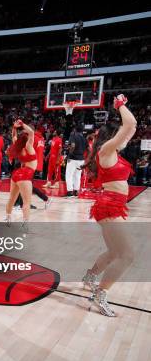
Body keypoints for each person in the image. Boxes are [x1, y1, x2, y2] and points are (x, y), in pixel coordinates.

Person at [81, 95, 136, 317]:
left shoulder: (113, 151)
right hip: (110, 205)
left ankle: (90, 277)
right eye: (121, 135)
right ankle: (99, 293)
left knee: (115, 252)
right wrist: (120, 105)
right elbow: (130, 124)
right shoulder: (107, 150)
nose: (126, 139)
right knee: (128, 255)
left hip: (113, 204)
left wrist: (123, 114)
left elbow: (130, 129)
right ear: (114, 136)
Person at [5, 120, 36, 230]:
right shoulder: (28, 146)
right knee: (27, 202)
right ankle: (25, 225)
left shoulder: (18, 146)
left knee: (12, 199)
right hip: (25, 174)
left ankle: (8, 218)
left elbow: (13, 136)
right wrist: (22, 124)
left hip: (16, 174)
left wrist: (14, 128)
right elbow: (32, 132)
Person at [65, 124, 86, 197]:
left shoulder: (73, 136)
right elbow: (89, 149)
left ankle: (70, 191)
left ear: (75, 129)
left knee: (69, 175)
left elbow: (73, 146)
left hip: (73, 159)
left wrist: (69, 155)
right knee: (77, 176)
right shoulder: (84, 138)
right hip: (81, 159)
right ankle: (76, 191)